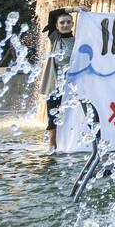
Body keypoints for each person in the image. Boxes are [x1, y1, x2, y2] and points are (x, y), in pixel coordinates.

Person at [39, 9, 77, 149]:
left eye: (68, 22)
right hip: (55, 85)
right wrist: (74, 9)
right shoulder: (55, 37)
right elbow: (52, 14)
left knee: (70, 114)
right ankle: (52, 144)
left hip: (72, 86)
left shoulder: (77, 40)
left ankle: (70, 143)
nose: (65, 24)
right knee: (53, 114)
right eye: (62, 22)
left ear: (72, 24)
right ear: (56, 25)